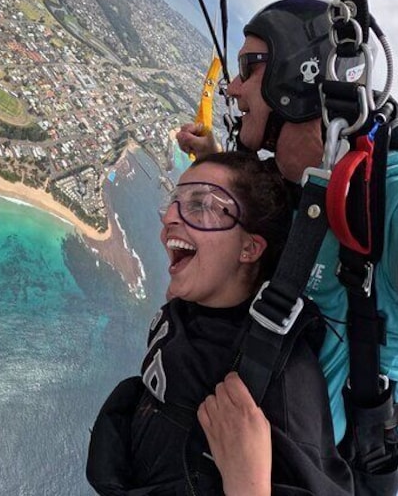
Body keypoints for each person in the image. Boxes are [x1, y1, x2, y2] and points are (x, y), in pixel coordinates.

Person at [177, 0, 398, 496]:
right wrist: (213, 167)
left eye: (250, 66)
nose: (232, 86)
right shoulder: (295, 183)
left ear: (298, 76)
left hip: (318, 472)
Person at [86, 151, 353, 495]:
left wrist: (248, 487)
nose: (169, 217)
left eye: (200, 205)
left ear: (250, 248)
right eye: (174, 202)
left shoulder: (282, 382)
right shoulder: (187, 311)